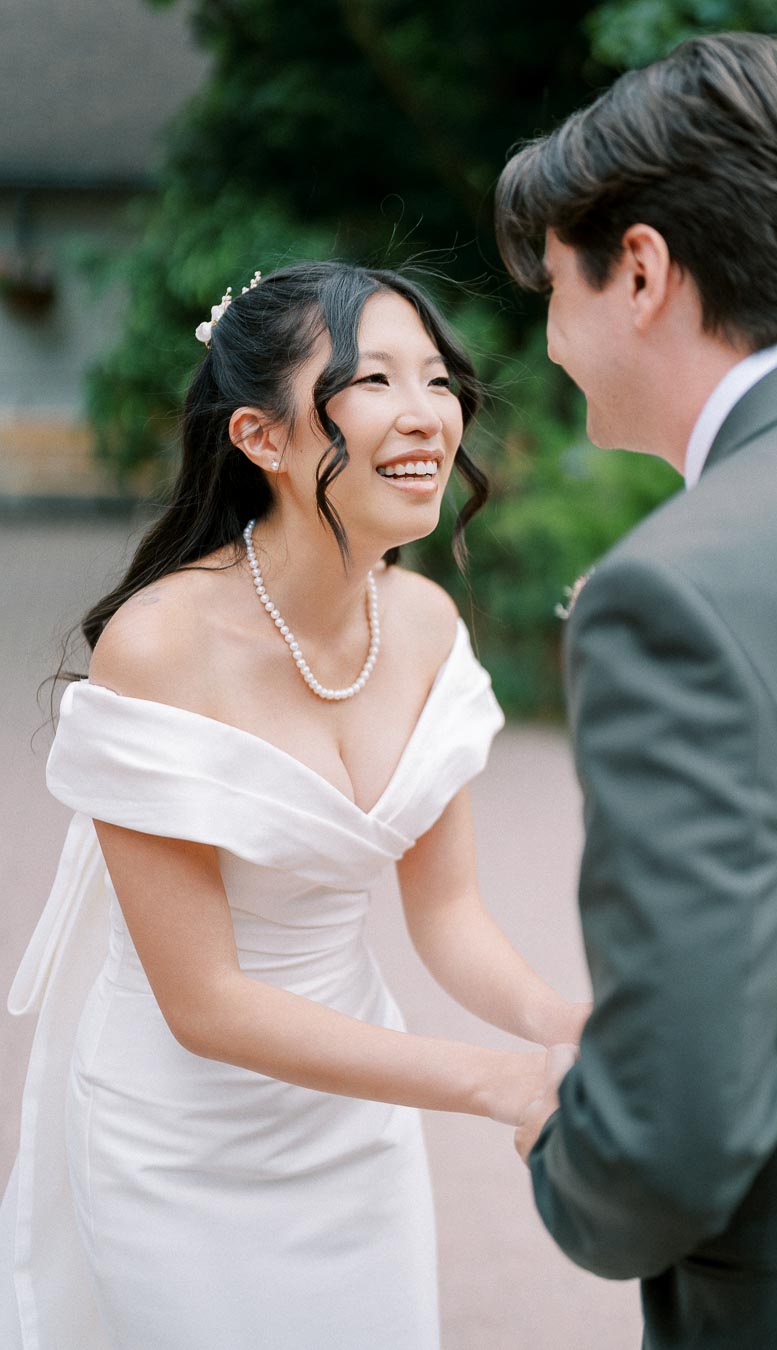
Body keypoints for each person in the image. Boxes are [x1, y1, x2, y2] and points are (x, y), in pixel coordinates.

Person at [0, 260, 586, 1350]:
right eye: (373, 381)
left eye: (437, 379)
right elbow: (207, 1002)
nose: (427, 415)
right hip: (175, 1139)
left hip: (351, 1128)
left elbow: (446, 916)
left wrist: (569, 1028)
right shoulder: (160, 646)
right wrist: (500, 1083)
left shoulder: (423, 626)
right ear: (261, 440)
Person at [495, 30, 777, 1350]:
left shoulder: (675, 593)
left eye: (553, 289)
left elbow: (677, 1130)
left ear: (643, 273)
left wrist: (567, 1148)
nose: (548, 342)